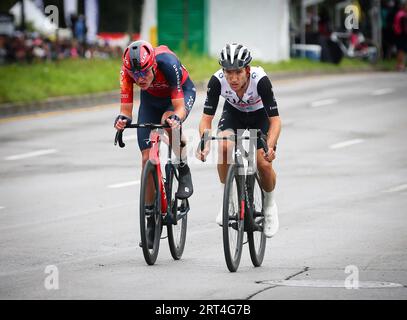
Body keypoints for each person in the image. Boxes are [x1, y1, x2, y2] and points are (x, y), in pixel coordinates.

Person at [114, 40, 196, 247]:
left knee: (168, 121)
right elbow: (126, 110)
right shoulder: (127, 72)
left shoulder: (168, 63)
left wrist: (176, 118)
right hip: (150, 101)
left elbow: (178, 107)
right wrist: (123, 120)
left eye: (144, 73)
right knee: (145, 158)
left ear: (153, 65)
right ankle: (151, 217)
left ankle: (183, 168)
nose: (140, 79)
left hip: (177, 96)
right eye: (135, 75)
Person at [196, 43, 281, 238]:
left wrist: (269, 145)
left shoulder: (261, 81)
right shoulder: (217, 81)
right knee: (224, 145)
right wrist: (205, 140)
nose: (233, 78)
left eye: (238, 72)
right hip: (234, 114)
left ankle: (269, 207)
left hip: (260, 117)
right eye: (228, 72)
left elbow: (275, 120)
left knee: (263, 163)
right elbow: (206, 119)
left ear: (247, 70)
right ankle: (228, 202)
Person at [393, 0, 407, 71]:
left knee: (400, 51)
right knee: (402, 51)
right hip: (402, 35)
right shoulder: (403, 15)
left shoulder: (399, 13)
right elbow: (404, 27)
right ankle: (400, 65)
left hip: (398, 34)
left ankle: (399, 65)